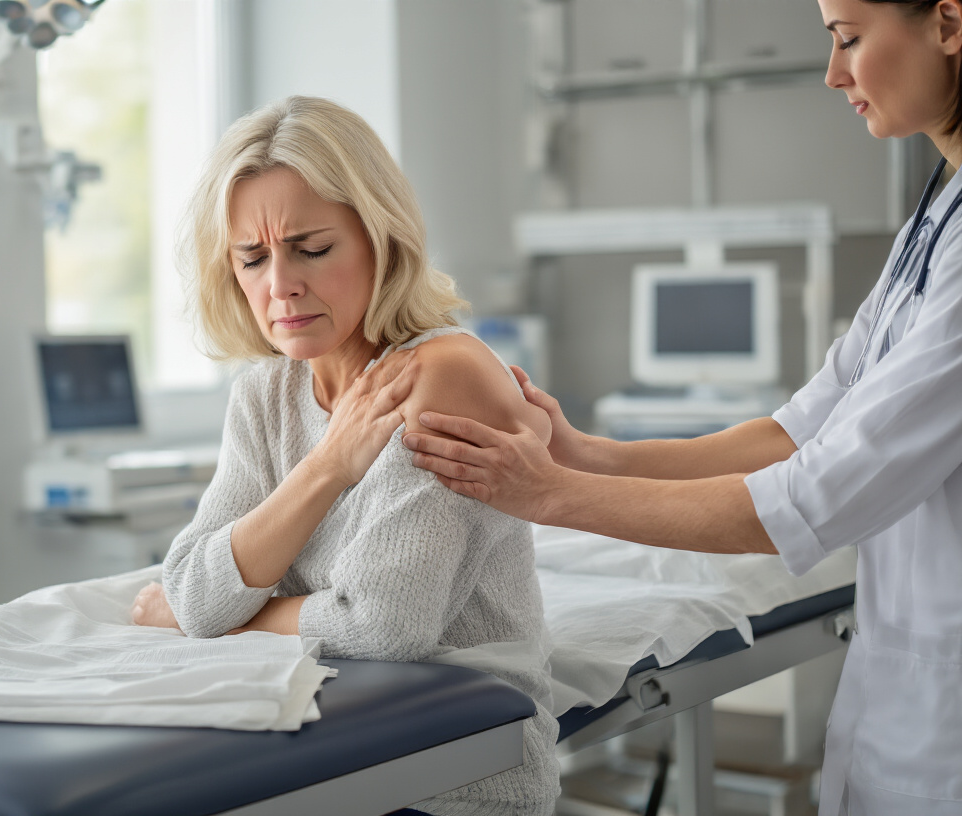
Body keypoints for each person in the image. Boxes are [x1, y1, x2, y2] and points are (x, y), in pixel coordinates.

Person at [399, 2, 962, 814]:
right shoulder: (932, 222)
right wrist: (583, 454)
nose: (834, 72)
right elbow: (792, 433)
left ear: (947, 23)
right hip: (903, 690)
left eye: (848, 38)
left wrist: (548, 494)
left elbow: (811, 496)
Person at [130, 96, 561, 815]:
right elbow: (189, 586)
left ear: (380, 238)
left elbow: (383, 626)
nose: (280, 285)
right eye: (252, 258)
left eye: (312, 248)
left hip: (454, 778)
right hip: (313, 750)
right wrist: (329, 465)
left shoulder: (443, 376)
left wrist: (236, 612)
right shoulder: (265, 395)